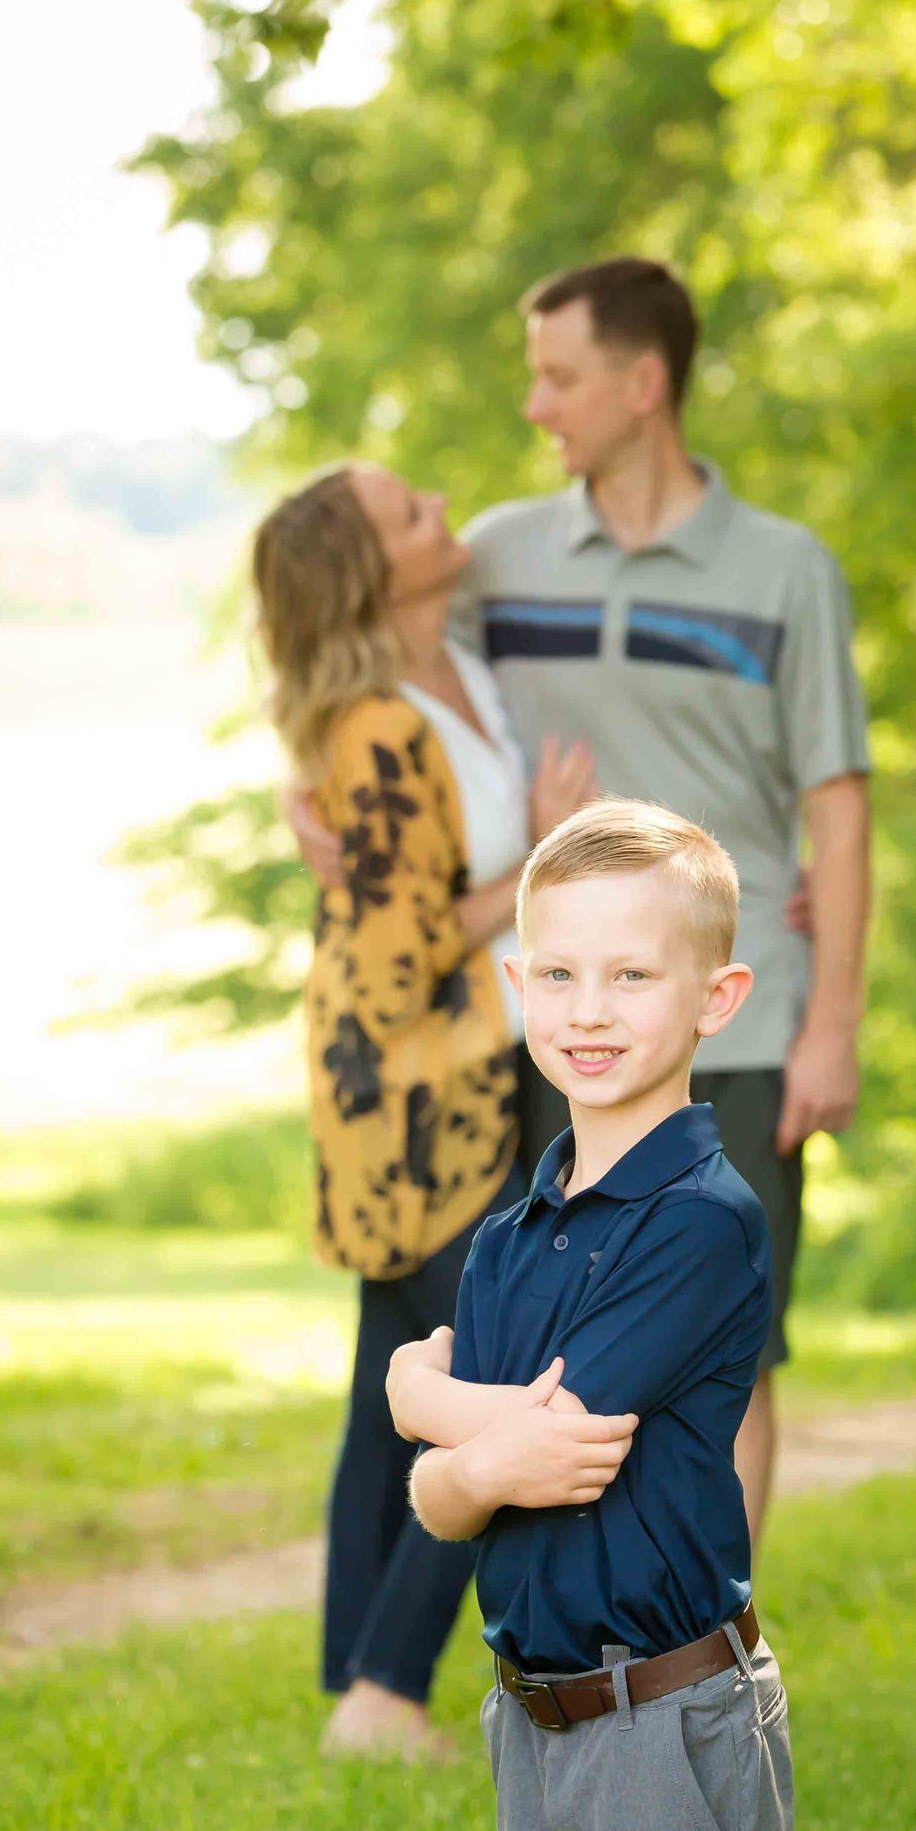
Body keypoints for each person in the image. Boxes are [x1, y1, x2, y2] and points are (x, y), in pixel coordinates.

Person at [290, 253, 872, 1552]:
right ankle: (575, 1628)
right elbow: (370, 659)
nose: (537, 404)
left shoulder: (785, 572)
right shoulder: (497, 552)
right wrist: (303, 780)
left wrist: (835, 1019)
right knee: (556, 1335)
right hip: (558, 1014)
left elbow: (839, 804)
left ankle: (715, 1628)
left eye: (559, 375)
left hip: (742, 1013)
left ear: (643, 383)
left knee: (733, 1343)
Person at [386, 801, 802, 1831]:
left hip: (666, 1706)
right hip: (541, 1715)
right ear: (511, 981)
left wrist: (429, 1406)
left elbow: (567, 1445)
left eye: (633, 972)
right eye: (557, 969)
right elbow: (452, 1506)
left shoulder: (702, 1220)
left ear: (715, 998)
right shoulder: (513, 1231)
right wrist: (454, 1449)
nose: (589, 1003)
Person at [253, 462, 593, 1761]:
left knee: (381, 1393)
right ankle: (389, 1691)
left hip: (452, 1081)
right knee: (499, 1394)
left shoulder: (450, 673)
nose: (439, 507)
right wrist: (548, 855)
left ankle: (355, 1675)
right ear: (368, 573)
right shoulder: (381, 727)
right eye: (407, 512)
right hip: (416, 1101)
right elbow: (403, 957)